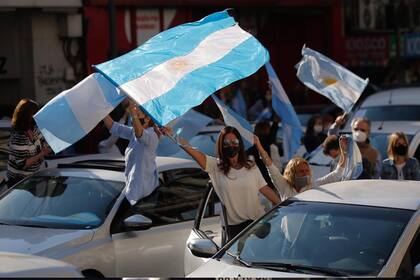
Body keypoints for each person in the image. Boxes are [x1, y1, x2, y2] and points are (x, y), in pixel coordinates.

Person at [163, 126, 280, 241]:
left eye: (234, 141)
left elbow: (265, 189)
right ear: (221, 146)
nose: (231, 145)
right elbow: (191, 150)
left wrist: (285, 207)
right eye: (226, 142)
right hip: (235, 232)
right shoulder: (215, 166)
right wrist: (173, 135)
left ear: (240, 143)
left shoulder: (251, 166)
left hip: (258, 226)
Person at [254, 134, 348, 201]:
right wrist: (258, 145)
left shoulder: (313, 185)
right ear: (293, 173)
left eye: (307, 171)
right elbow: (269, 165)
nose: (306, 173)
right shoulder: (283, 186)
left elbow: (336, 174)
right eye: (302, 171)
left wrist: (343, 152)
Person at [103, 100, 161, 207]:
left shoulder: (152, 136)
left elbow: (140, 134)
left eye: (138, 114)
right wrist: (101, 111)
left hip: (144, 199)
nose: (133, 119)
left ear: (148, 118)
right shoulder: (133, 133)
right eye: (133, 115)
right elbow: (113, 127)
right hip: (132, 194)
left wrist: (132, 111)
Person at [6, 99, 51, 188]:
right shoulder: (18, 136)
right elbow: (22, 164)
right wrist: (42, 153)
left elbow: (43, 142)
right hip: (19, 183)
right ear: (27, 115)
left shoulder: (33, 128)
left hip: (33, 179)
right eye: (35, 112)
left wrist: (48, 146)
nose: (38, 114)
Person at [247, 117, 281, 188]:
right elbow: (278, 167)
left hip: (256, 183)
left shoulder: (250, 147)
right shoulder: (271, 146)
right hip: (270, 183)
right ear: (267, 130)